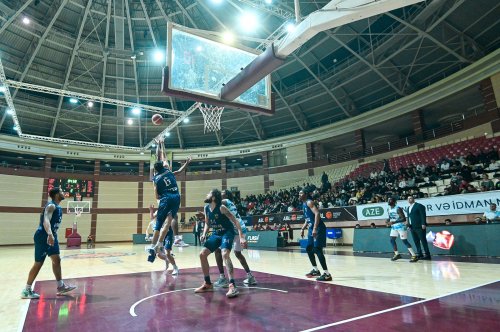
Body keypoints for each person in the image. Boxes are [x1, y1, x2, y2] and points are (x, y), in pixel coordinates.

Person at [21, 187, 77, 299]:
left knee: (56, 259)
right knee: (38, 263)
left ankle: (61, 287)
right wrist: (50, 234)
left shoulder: (59, 207)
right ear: (56, 195)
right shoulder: (51, 205)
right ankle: (26, 290)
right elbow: (45, 219)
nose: (64, 193)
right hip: (43, 236)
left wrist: (52, 235)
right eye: (61, 192)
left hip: (52, 236)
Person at [195, 189, 247, 298]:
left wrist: (241, 237)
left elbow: (236, 221)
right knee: (202, 254)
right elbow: (207, 223)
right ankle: (208, 283)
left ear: (213, 197)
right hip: (216, 233)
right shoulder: (206, 208)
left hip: (227, 232)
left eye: (209, 193)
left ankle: (232, 286)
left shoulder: (222, 208)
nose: (206, 194)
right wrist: (204, 233)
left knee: (224, 254)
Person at [147, 138, 191, 262]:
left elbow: (156, 196)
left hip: (164, 199)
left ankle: (154, 247)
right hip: (176, 197)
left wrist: (159, 144)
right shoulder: (168, 170)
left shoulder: (155, 179)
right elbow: (164, 158)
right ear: (164, 166)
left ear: (155, 169)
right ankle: (168, 242)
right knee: (170, 221)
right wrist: (161, 143)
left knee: (159, 226)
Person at [213, 190, 257, 288]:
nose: (221, 193)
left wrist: (211, 198)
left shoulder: (226, 201)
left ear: (227, 195)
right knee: (237, 253)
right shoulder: (230, 204)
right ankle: (250, 276)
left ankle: (222, 278)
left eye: (223, 192)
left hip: (235, 229)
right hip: (241, 229)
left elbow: (216, 203)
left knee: (218, 250)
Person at [299, 187, 332, 281]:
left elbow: (317, 214)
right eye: (299, 194)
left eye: (301, 193)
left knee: (317, 249)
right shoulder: (303, 204)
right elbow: (307, 219)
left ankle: (327, 274)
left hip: (318, 228)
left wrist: (314, 228)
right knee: (309, 248)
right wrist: (302, 228)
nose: (299, 195)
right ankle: (315, 270)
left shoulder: (309, 202)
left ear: (305, 194)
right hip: (311, 228)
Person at [386, 197, 418, 263]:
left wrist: (393, 222)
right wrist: (387, 220)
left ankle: (414, 255)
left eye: (390, 199)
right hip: (394, 227)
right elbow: (390, 217)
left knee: (404, 241)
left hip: (401, 227)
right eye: (388, 200)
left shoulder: (398, 208)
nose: (389, 201)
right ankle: (397, 254)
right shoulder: (388, 209)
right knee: (392, 240)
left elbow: (403, 219)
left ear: (394, 201)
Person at [406, 196, 431, 260]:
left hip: (419, 226)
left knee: (423, 241)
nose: (409, 200)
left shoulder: (419, 206)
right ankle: (420, 254)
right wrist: (408, 225)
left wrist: (423, 223)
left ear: (413, 199)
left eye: (410, 198)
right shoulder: (408, 208)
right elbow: (408, 217)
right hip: (412, 227)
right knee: (416, 241)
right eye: (408, 199)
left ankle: (427, 254)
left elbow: (423, 215)